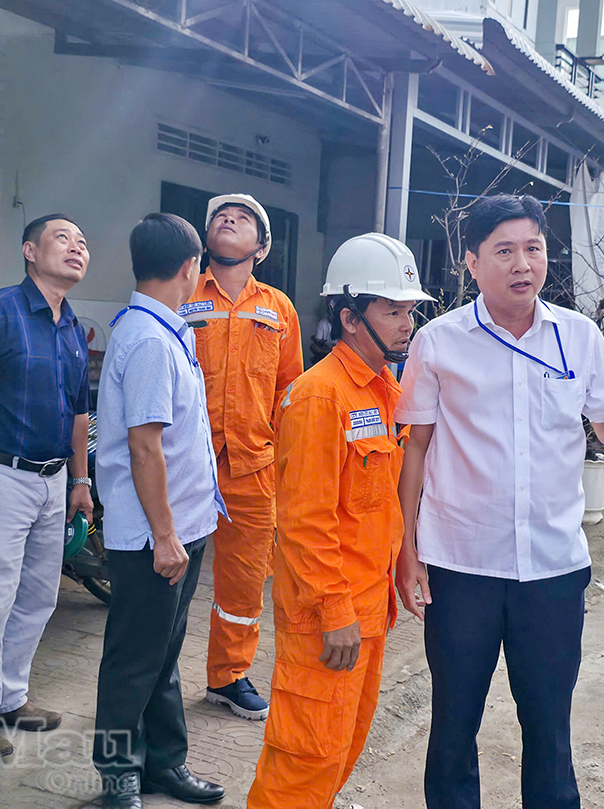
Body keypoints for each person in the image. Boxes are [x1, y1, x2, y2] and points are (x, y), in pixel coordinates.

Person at [394, 195, 604, 809]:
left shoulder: (577, 337)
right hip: (461, 564)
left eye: (533, 248)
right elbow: (415, 449)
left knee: (550, 727)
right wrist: (407, 550)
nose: (522, 264)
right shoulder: (438, 341)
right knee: (453, 724)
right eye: (504, 251)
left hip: (552, 568)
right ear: (472, 262)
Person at [246, 233, 434, 809]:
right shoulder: (318, 396)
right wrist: (334, 612)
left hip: (367, 610)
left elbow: (384, 506)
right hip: (327, 619)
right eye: (392, 310)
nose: (406, 324)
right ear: (350, 319)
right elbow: (304, 521)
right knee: (303, 762)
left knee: (340, 751)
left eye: (409, 311)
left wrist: (403, 569)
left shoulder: (387, 391)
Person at [0, 214, 94, 763]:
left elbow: (79, 412)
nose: (76, 248)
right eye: (63, 238)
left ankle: (10, 698)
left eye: (83, 243)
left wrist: (81, 480)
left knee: (37, 598)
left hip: (53, 483)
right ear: (30, 250)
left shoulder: (72, 327)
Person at [92, 214, 227, 808]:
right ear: (191, 267)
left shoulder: (166, 329)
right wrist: (166, 537)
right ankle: (117, 771)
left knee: (163, 654)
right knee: (134, 659)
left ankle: (164, 763)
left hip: (182, 526)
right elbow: (144, 447)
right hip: (155, 536)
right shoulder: (149, 339)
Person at [178, 193, 302, 720]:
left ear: (262, 247)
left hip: (253, 467)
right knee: (167, 573)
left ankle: (227, 677)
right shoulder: (179, 293)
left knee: (244, 582)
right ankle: (153, 677)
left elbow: (289, 392)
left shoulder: (278, 309)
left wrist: (287, 463)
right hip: (185, 462)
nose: (229, 220)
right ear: (206, 239)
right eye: (221, 217)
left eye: (244, 218)